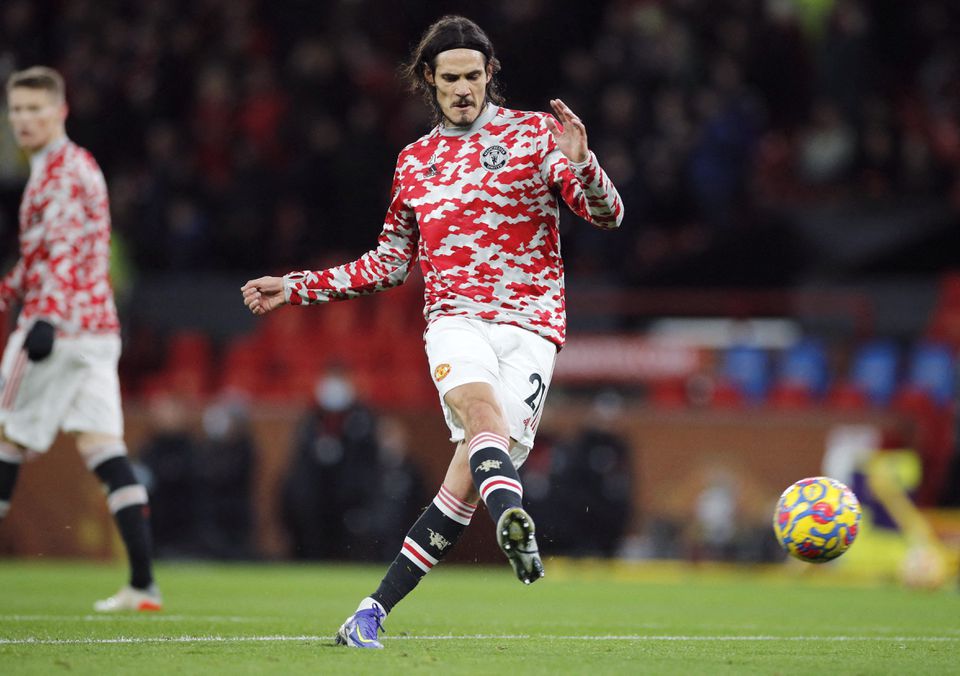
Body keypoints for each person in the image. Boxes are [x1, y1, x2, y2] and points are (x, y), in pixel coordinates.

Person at [241, 15, 623, 648]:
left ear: (490, 75)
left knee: (461, 485)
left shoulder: (535, 136)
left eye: (474, 75)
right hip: (456, 321)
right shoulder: (414, 163)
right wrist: (300, 285)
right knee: (481, 416)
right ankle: (515, 518)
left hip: (532, 328)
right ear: (429, 80)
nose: (464, 88)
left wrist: (584, 166)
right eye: (451, 78)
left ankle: (368, 612)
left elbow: (608, 216)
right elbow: (390, 263)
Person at [0, 67, 160, 611]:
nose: (23, 119)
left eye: (34, 109)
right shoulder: (70, 165)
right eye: (16, 109)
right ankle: (142, 585)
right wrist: (8, 289)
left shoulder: (60, 172)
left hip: (60, 326)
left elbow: (63, 250)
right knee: (103, 447)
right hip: (97, 329)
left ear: (59, 111)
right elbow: (46, 249)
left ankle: (142, 584)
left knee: (5, 436)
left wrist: (41, 315)